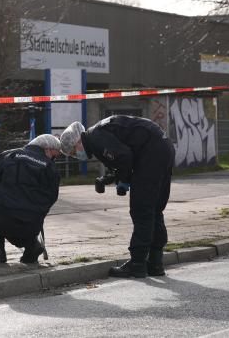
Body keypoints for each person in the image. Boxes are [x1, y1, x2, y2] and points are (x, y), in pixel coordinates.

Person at [59, 116, 175, 278]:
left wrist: (124, 181)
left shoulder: (96, 138)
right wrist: (113, 178)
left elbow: (124, 157)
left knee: (142, 211)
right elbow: (123, 158)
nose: (76, 155)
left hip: (151, 153)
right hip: (163, 147)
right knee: (154, 210)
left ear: (78, 142)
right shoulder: (99, 133)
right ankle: (155, 263)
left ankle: (137, 264)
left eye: (73, 152)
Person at [0, 134, 61, 264]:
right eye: (54, 155)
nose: (54, 158)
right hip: (31, 225)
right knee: (21, 217)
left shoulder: (10, 155)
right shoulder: (50, 168)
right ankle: (32, 246)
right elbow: (52, 197)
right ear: (46, 149)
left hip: (2, 217)